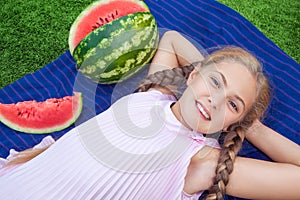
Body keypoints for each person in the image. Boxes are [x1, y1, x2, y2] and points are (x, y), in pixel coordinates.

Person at [0, 30, 299, 200]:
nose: (217, 101)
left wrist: (252, 127)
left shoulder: (201, 162)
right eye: (215, 82)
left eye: (233, 105)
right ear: (192, 74)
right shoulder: (155, 95)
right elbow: (170, 40)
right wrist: (206, 76)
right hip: (21, 182)